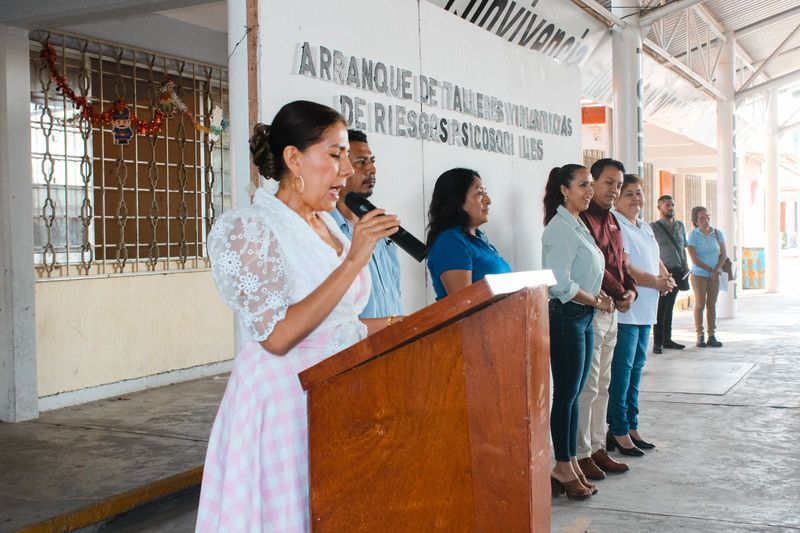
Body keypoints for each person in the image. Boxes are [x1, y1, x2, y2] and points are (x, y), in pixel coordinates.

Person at [196, 101, 402, 532]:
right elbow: (278, 335)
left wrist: (392, 328)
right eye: (334, 154)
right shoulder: (249, 227)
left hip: (329, 396)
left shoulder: (324, 225)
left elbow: (331, 326)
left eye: (347, 156)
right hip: (281, 404)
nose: (346, 170)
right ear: (293, 159)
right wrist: (354, 262)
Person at [542, 164, 613, 500]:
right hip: (568, 315)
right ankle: (563, 464)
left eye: (589, 184)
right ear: (564, 190)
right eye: (583, 185)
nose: (589, 190)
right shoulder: (559, 228)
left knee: (574, 396)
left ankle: (568, 463)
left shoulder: (577, 223)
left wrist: (597, 299)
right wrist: (595, 300)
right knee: (567, 397)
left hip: (582, 315)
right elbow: (560, 282)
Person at [576, 158, 637, 481]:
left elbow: (621, 265)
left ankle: (598, 447)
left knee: (604, 385)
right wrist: (618, 294)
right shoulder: (581, 221)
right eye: (608, 182)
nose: (613, 189)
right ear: (593, 182)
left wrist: (631, 291)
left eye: (618, 184)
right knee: (588, 386)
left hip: (613, 311)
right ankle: (582, 452)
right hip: (592, 310)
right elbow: (594, 270)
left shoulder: (612, 221)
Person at [607, 175, 675, 457]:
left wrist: (665, 277)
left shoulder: (644, 226)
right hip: (626, 310)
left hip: (646, 310)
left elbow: (654, 256)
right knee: (622, 372)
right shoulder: (615, 225)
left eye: (639, 193)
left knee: (637, 370)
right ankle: (618, 429)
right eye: (628, 194)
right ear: (617, 199)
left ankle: (632, 425)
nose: (636, 198)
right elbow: (626, 268)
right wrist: (655, 282)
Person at [330, 129, 402, 318]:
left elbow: (394, 291)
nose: (371, 169)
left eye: (372, 160)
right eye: (361, 162)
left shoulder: (379, 225)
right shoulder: (326, 230)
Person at [425, 168, 511, 300]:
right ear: (457, 199)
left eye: (485, 192)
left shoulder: (480, 239)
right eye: (480, 193)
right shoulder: (450, 242)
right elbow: (464, 306)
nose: (488, 200)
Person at [650, 195, 689, 354]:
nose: (670, 207)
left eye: (672, 204)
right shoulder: (653, 227)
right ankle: (658, 342)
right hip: (663, 272)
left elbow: (683, 248)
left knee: (670, 307)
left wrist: (685, 266)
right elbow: (651, 251)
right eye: (667, 205)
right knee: (661, 307)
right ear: (659, 208)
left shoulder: (680, 226)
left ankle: (668, 339)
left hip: (678, 271)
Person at [687, 206, 727, 348]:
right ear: (696, 221)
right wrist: (710, 270)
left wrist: (715, 270)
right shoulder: (693, 235)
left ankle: (712, 335)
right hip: (699, 274)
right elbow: (694, 258)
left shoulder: (717, 233)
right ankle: (700, 335)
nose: (706, 220)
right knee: (700, 304)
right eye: (702, 218)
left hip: (714, 275)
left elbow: (724, 254)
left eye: (707, 217)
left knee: (712, 305)